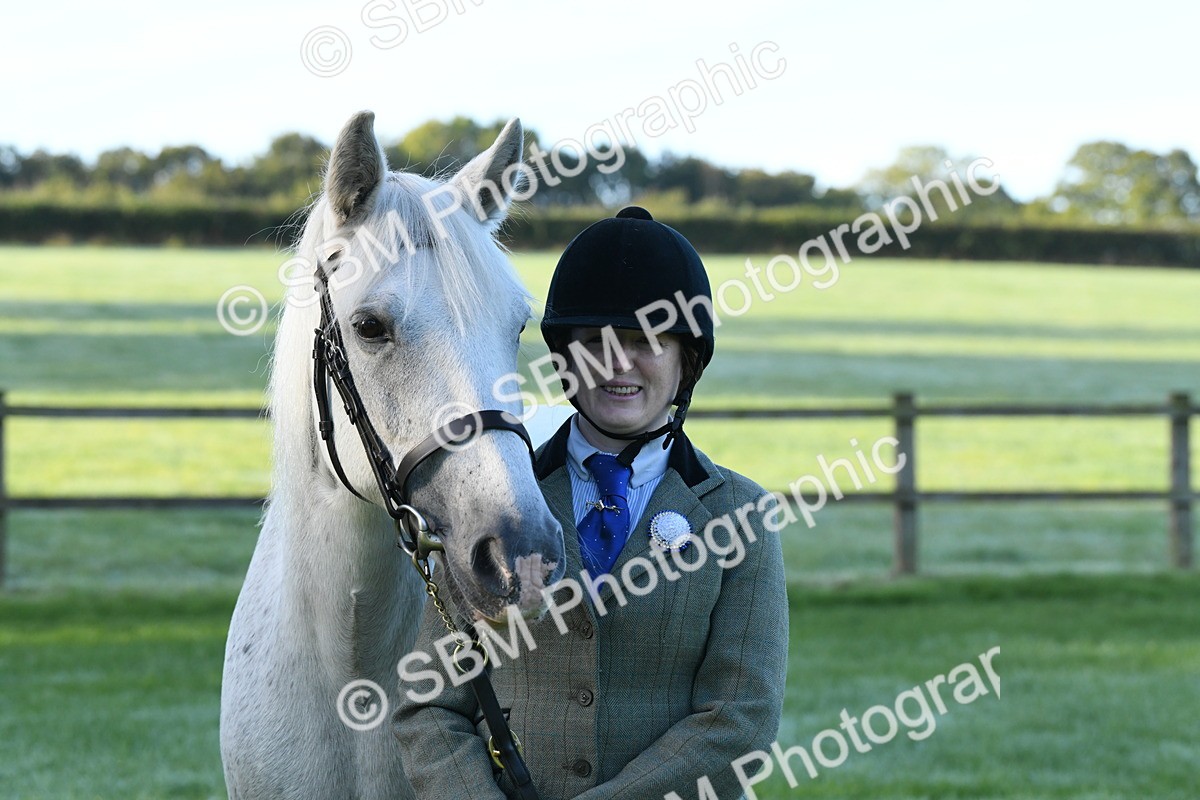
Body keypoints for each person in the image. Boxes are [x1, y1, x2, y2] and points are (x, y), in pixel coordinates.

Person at [393, 206, 788, 799]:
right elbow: (430, 705)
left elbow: (739, 721)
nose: (618, 364)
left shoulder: (741, 519)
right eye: (596, 343)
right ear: (563, 358)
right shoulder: (494, 505)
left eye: (646, 341)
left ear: (688, 360)